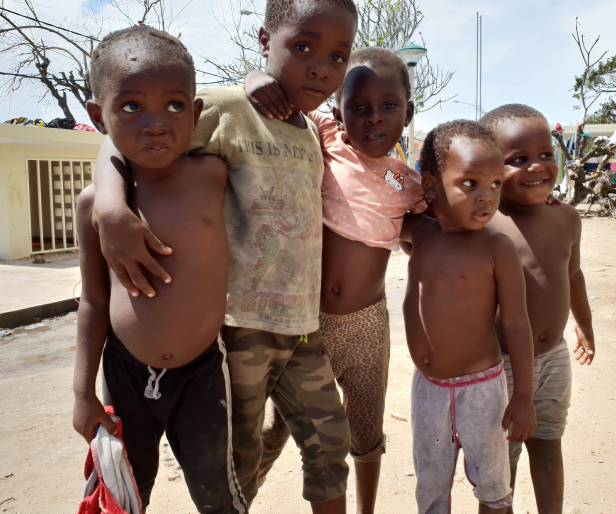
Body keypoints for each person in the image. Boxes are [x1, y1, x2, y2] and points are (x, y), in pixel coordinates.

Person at [87, 1, 361, 511]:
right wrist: (109, 206)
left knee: (330, 447)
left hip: (301, 327)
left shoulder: (313, 131)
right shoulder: (227, 107)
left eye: (337, 57)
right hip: (240, 328)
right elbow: (118, 139)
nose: (321, 68)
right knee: (239, 461)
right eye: (303, 47)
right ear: (264, 41)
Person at [243, 47, 426, 514]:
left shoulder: (410, 186)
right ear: (339, 113)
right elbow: (275, 99)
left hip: (366, 326)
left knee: (365, 428)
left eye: (389, 105)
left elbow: (441, 228)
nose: (373, 117)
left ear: (407, 114)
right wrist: (254, 78)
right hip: (307, 324)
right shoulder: (326, 139)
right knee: (277, 428)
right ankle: (238, 500)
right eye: (358, 106)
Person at [71, 25, 245, 513]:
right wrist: (83, 393)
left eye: (174, 106)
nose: (155, 124)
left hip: (203, 373)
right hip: (123, 372)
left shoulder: (213, 175)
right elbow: (93, 300)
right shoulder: (95, 206)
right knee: (123, 495)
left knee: (218, 498)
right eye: (131, 107)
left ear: (195, 113)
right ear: (98, 117)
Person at [400, 120, 536, 514]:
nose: (486, 196)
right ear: (431, 185)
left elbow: (516, 323)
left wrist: (523, 396)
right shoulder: (419, 232)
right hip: (427, 389)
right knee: (430, 485)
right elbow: (376, 204)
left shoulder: (497, 249)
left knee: (493, 487)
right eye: (470, 183)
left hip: (482, 392)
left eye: (495, 184)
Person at [480, 104, 595, 514]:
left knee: (548, 449)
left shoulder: (567, 218)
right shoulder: (485, 222)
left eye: (546, 154)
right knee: (501, 465)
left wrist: (584, 323)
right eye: (518, 159)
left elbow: (573, 274)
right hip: (503, 366)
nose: (536, 166)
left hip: (554, 357)